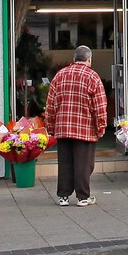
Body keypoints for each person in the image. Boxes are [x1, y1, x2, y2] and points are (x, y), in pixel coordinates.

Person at [43, 48, 109, 207]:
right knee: (83, 164)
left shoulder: (60, 75)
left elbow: (51, 104)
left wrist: (50, 126)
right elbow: (100, 105)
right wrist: (101, 127)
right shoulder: (93, 77)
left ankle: (63, 197)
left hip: (63, 128)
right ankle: (83, 197)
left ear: (74, 58)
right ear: (89, 59)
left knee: (65, 163)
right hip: (84, 128)